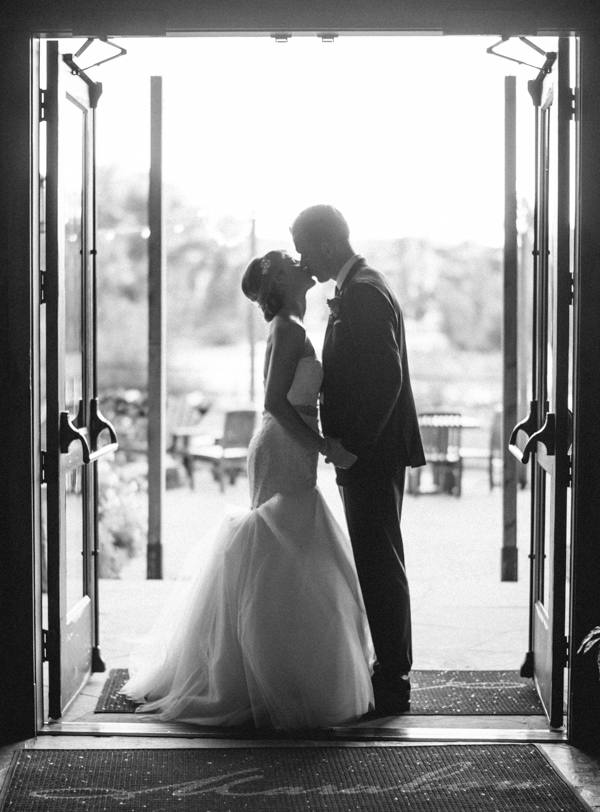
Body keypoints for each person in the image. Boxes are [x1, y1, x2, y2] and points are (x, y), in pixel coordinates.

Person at [121, 249, 374, 729]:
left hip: (286, 445)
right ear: (277, 279)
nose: (302, 261)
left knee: (291, 547)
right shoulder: (289, 328)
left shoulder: (290, 324)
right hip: (283, 445)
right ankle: (266, 676)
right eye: (287, 260)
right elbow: (276, 404)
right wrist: (324, 446)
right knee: (282, 545)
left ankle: (282, 668)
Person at [291, 205, 425, 714]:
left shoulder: (365, 292)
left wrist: (354, 447)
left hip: (371, 453)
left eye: (305, 248)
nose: (304, 259)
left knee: (379, 562)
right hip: (367, 452)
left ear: (325, 245)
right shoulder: (361, 286)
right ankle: (390, 670)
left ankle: (393, 679)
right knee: (376, 558)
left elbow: (386, 379)